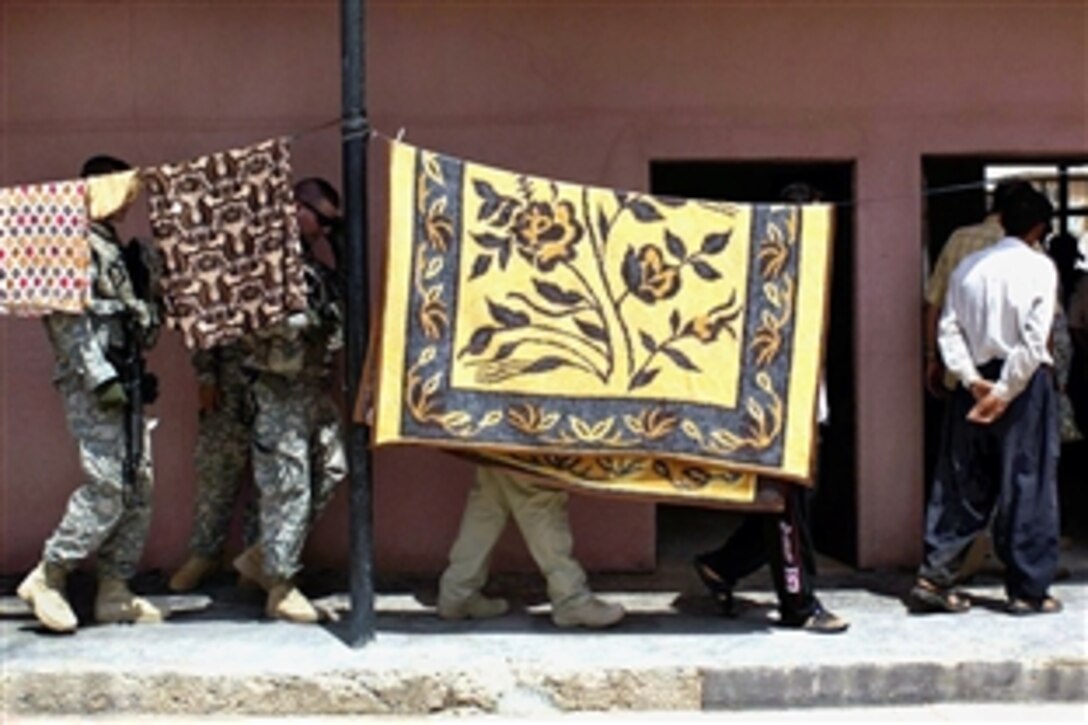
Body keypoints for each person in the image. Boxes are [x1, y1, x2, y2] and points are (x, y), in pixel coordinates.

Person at [17, 155, 165, 632]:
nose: (129, 201)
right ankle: (48, 575)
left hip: (128, 377)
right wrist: (100, 378)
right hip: (95, 382)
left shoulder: (116, 248)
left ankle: (115, 590)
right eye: (123, 190)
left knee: (137, 485)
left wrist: (149, 292)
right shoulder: (68, 239)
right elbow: (66, 319)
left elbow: (141, 325)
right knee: (108, 483)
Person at [692, 181, 846, 635]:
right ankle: (799, 603)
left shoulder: (805, 275)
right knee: (787, 516)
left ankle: (721, 566)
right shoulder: (768, 274)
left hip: (802, 411)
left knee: (787, 508)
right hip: (780, 418)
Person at [910, 184, 1062, 616]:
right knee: (1027, 482)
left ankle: (935, 575)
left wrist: (973, 380)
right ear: (1038, 227)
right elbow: (1035, 342)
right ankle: (1027, 589)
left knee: (961, 479)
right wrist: (1005, 391)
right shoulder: (1040, 268)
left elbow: (948, 329)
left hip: (972, 384)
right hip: (1024, 384)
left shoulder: (969, 267)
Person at [230, 177, 348, 623]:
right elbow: (252, 321)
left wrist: (336, 247)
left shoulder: (312, 265)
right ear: (294, 208)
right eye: (320, 220)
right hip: (277, 388)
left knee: (332, 468)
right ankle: (279, 585)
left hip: (310, 387)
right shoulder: (265, 260)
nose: (322, 230)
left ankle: (261, 559)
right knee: (288, 484)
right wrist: (302, 323)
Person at [437, 466, 626, 629]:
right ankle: (570, 598)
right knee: (537, 493)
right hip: (520, 429)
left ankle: (458, 592)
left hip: (494, 429)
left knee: (489, 498)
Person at [167, 339, 257, 592]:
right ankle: (204, 554)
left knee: (272, 475)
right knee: (216, 469)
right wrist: (206, 376)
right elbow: (203, 319)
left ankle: (256, 558)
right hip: (228, 379)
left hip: (277, 378)